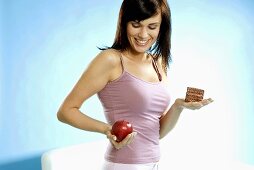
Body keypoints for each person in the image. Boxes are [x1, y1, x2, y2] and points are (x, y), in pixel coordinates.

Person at [57, 0, 213, 169]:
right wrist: (107, 129)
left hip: (153, 164)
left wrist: (178, 106)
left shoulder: (158, 63)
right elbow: (65, 111)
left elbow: (155, 133)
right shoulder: (111, 60)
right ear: (124, 23)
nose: (143, 35)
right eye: (136, 24)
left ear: (162, 28)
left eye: (152, 27)